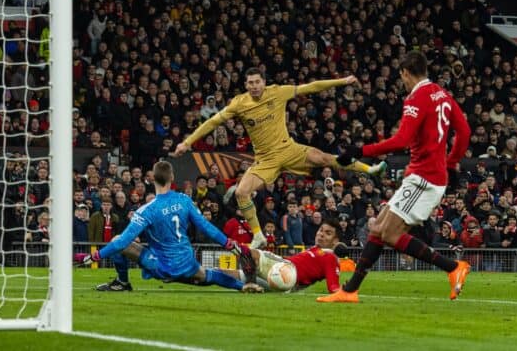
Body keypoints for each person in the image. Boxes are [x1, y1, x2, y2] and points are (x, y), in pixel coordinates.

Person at [171, 68, 386, 248]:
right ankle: (258, 235)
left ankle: (370, 170)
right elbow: (212, 123)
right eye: (250, 83)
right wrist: (187, 142)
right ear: (246, 85)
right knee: (241, 192)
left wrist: (342, 81)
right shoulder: (239, 103)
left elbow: (311, 87)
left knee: (324, 158)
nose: (254, 86)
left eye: (257, 82)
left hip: (288, 149)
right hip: (266, 159)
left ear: (264, 82)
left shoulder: (278, 92)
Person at [318, 51, 472, 303]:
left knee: (389, 234)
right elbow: (464, 131)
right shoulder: (442, 94)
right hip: (428, 175)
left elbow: (400, 140)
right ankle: (350, 290)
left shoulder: (416, 98)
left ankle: (453, 267)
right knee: (378, 229)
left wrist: (360, 151)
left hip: (424, 178)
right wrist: (451, 162)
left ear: (405, 73)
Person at [77, 161, 261, 293]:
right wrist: (230, 245)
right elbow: (207, 227)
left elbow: (122, 242)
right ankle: (243, 286)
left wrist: (93, 257)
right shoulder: (185, 200)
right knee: (207, 276)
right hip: (187, 263)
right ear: (172, 177)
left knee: (118, 240)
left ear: (153, 178)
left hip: (161, 267)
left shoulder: (146, 210)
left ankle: (122, 282)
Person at [224, 217, 346, 294]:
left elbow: (333, 287)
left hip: (286, 270)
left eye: (328, 233)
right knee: (233, 275)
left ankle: (223, 240)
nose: (321, 234)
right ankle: (206, 275)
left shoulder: (329, 256)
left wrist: (347, 289)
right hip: (281, 279)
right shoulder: (316, 250)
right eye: (321, 230)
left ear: (335, 240)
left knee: (251, 253)